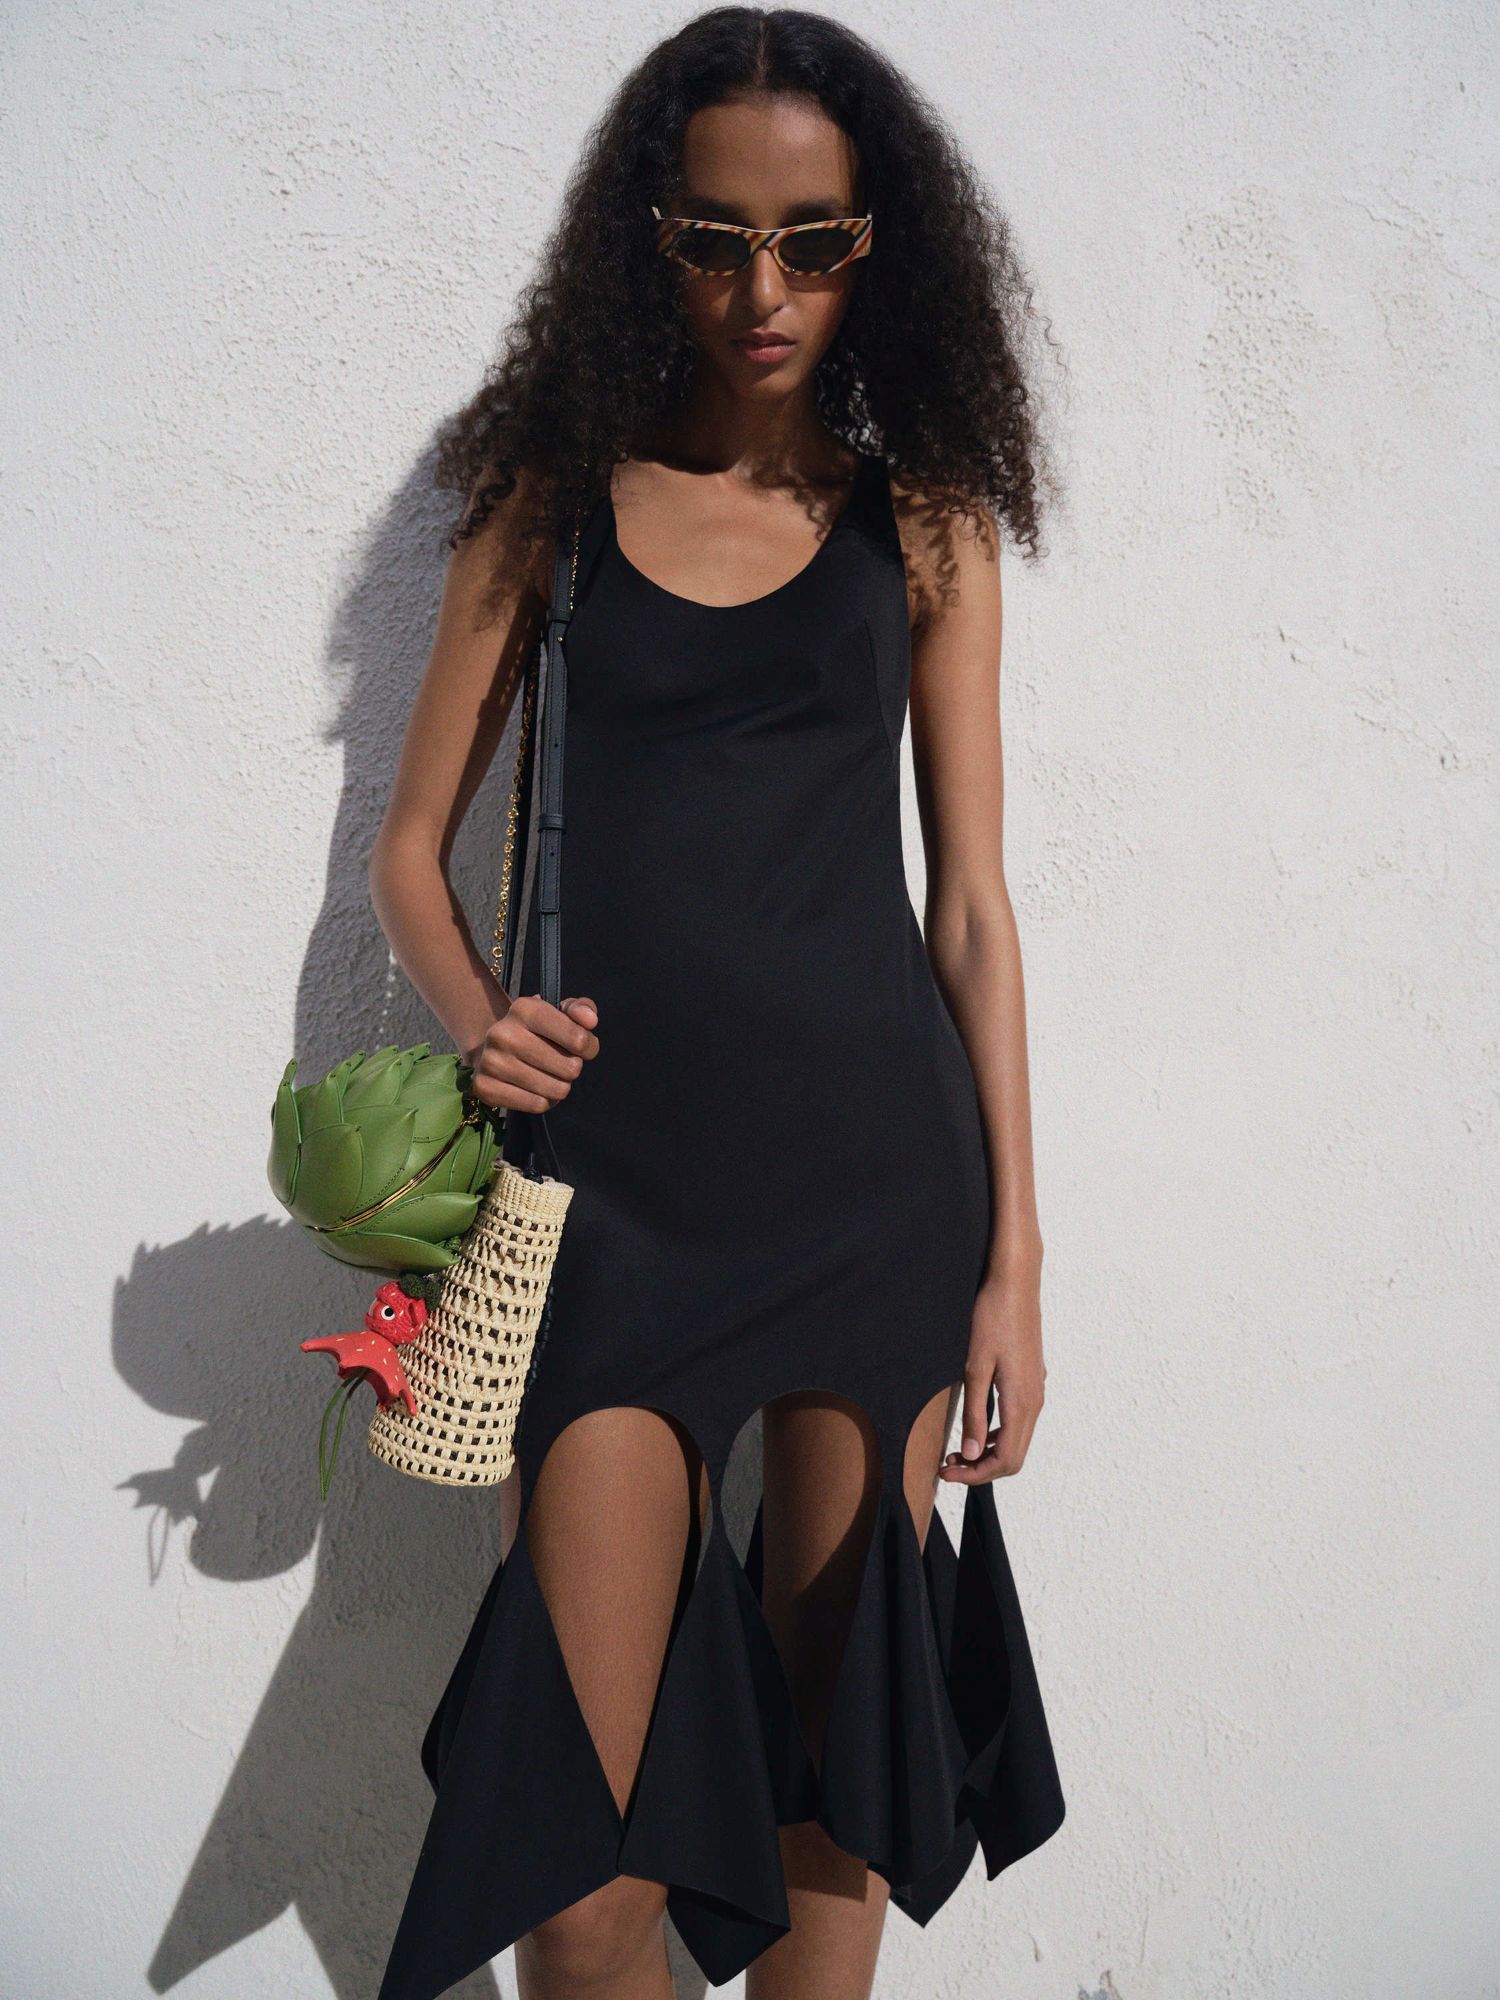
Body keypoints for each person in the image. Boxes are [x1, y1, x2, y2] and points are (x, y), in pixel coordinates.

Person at [366, 10, 1065, 1997]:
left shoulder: (925, 519)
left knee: (837, 1795)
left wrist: (1015, 1257)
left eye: (816, 242)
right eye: (715, 238)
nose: (765, 292)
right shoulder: (547, 499)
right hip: (614, 1205)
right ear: (645, 240)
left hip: (873, 1192)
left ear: (878, 248)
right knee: (583, 1876)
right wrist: (476, 1016)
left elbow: (974, 911)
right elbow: (409, 851)